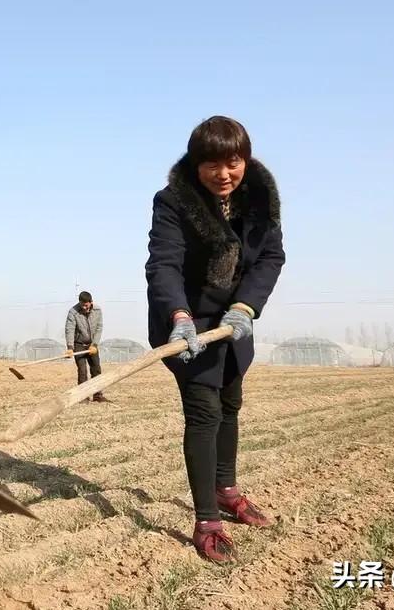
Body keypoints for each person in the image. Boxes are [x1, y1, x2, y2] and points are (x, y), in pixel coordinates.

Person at [145, 116, 285, 563]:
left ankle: (227, 490)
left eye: (232, 162)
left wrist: (245, 307)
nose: (222, 174)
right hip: (185, 321)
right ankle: (207, 518)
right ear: (195, 164)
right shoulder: (173, 202)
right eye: (210, 164)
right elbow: (163, 264)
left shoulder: (260, 200)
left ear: (244, 160)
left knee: (230, 403)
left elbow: (271, 257)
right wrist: (180, 316)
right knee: (204, 412)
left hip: (234, 319)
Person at [65, 291, 107, 402]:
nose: (84, 307)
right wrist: (70, 347)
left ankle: (98, 395)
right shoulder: (73, 312)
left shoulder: (97, 311)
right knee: (82, 371)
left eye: (86, 305)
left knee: (96, 369)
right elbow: (69, 329)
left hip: (92, 345)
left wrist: (94, 344)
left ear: (91, 302)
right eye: (82, 305)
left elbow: (99, 328)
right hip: (79, 344)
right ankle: (83, 397)